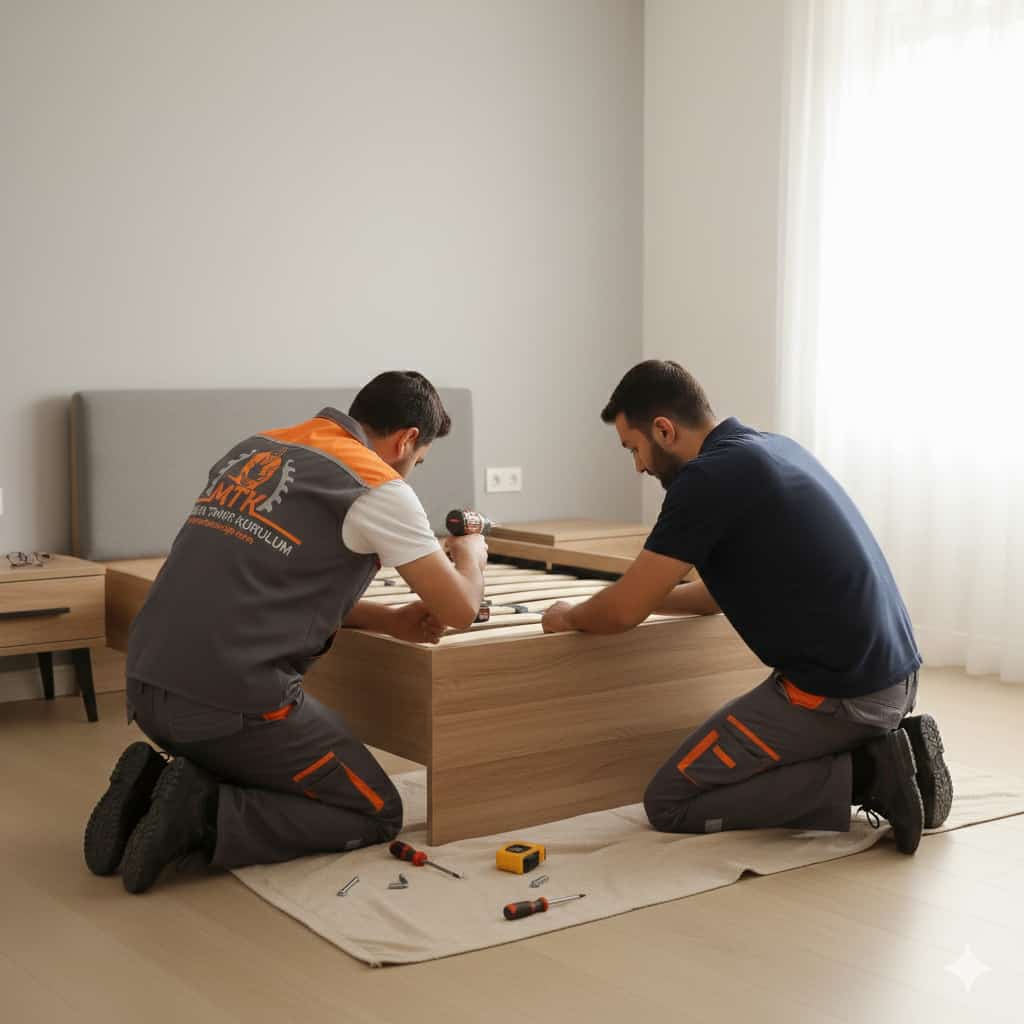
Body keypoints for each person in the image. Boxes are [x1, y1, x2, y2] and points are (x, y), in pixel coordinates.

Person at [84, 371, 487, 892]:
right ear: (407, 439)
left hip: (145, 685)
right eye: (419, 460)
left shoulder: (256, 448)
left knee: (266, 762)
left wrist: (388, 620)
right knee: (374, 809)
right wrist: (471, 554)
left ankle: (152, 788)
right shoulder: (377, 485)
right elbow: (460, 608)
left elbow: (271, 582)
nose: (413, 471)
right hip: (224, 705)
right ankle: (202, 813)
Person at [542, 360, 952, 854]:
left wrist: (570, 615)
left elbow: (621, 614)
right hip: (893, 678)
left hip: (842, 695)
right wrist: (647, 594)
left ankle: (870, 774)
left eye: (634, 448)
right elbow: (711, 595)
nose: (639, 466)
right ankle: (886, 751)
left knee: (669, 801)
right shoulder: (772, 449)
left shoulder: (706, 479)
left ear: (664, 430)